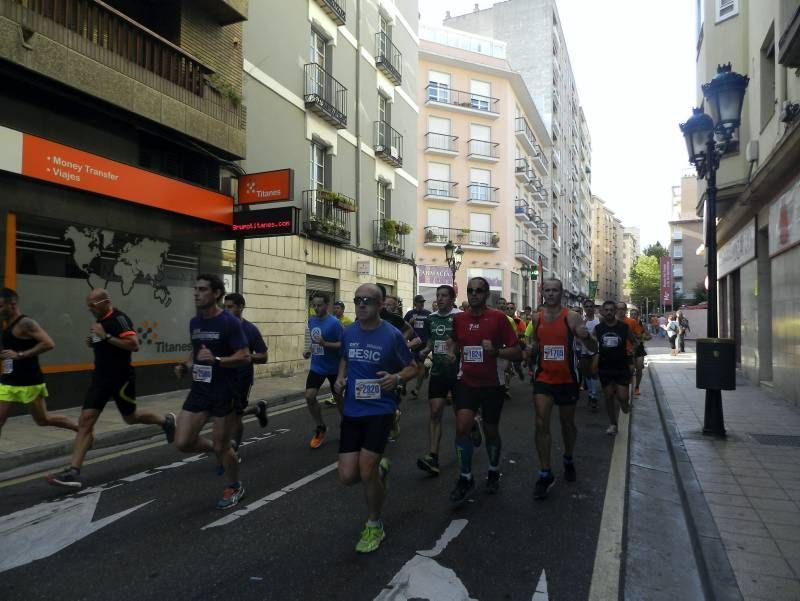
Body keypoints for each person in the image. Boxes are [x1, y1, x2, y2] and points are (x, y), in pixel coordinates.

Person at [48, 289, 176, 489]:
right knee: (85, 421)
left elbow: (134, 345)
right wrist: (95, 341)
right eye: (88, 304)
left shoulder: (119, 319)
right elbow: (105, 342)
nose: (89, 308)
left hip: (121, 379)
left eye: (92, 304)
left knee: (130, 418)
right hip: (100, 378)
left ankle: (165, 421)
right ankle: (73, 471)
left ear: (105, 302)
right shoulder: (99, 323)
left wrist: (105, 336)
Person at [333, 283, 417, 553]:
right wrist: (340, 377)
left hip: (380, 410)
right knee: (348, 476)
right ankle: (380, 472)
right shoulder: (349, 333)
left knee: (366, 470)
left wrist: (396, 377)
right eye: (357, 299)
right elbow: (345, 358)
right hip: (352, 409)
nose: (361, 304)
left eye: (367, 300)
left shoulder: (392, 335)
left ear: (380, 305)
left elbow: (413, 367)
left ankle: (374, 524)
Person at [169, 275, 250, 509]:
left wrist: (217, 360)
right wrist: (185, 365)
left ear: (216, 294)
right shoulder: (195, 323)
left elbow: (244, 356)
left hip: (225, 390)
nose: (197, 293)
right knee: (182, 442)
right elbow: (196, 352)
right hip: (200, 389)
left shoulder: (229, 322)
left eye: (202, 289)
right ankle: (220, 449)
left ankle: (235, 485)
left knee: (222, 446)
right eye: (195, 289)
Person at [446, 277, 521, 506]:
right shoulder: (459, 319)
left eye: (479, 291)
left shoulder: (499, 319)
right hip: (466, 381)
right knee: (461, 427)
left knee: (491, 431)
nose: (474, 294)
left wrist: (496, 352)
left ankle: (492, 469)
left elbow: (518, 352)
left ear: (487, 294)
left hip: (492, 383)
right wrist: (451, 351)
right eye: (470, 290)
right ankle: (465, 477)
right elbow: (454, 341)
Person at [527, 279, 596, 499]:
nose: (550, 294)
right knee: (541, 422)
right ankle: (545, 472)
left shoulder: (572, 317)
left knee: (567, 423)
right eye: (547, 290)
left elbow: (592, 346)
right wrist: (528, 350)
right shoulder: (536, 318)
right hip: (544, 378)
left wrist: (586, 336)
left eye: (554, 290)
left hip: (567, 379)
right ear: (542, 293)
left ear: (562, 293)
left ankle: (568, 457)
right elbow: (532, 344)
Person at [0, 288, 78, 439]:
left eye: (1, 306)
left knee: (43, 420)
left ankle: (80, 428)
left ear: (13, 304)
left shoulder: (25, 323)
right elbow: (11, 350)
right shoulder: (6, 324)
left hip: (29, 381)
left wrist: (20, 355)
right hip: (8, 380)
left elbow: (48, 343)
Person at [415, 285, 461, 476]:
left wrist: (455, 351)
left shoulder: (460, 317)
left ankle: (472, 425)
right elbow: (432, 340)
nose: (440, 299)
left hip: (459, 374)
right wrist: (426, 350)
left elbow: (466, 340)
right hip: (438, 372)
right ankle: (433, 456)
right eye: (438, 295)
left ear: (452, 298)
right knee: (435, 412)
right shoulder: (431, 318)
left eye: (444, 296)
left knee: (462, 416)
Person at [223, 293, 269, 452]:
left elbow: (263, 356)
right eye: (225, 307)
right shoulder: (219, 327)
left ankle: (233, 450)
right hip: (222, 378)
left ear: (241, 307)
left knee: (234, 415)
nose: (226, 310)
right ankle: (257, 410)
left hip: (241, 379)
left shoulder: (250, 330)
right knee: (228, 413)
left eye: (230, 307)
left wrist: (247, 357)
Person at [302, 293, 343, 448]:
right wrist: (308, 351)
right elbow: (312, 339)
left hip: (334, 367)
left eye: (319, 305)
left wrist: (326, 344)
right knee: (309, 397)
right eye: (314, 305)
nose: (316, 308)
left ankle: (347, 426)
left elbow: (342, 344)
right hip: (317, 366)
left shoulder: (334, 323)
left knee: (339, 399)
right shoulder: (311, 320)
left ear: (327, 305)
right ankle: (321, 427)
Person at [596, 300, 636, 435]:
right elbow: (592, 344)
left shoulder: (624, 327)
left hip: (621, 366)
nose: (608, 312)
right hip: (605, 367)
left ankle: (625, 406)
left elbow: (634, 341)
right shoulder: (598, 328)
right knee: (608, 396)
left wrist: (632, 356)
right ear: (602, 311)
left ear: (615, 311)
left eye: (611, 310)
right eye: (606, 310)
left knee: (623, 397)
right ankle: (613, 423)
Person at [404, 295, 432, 399]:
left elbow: (431, 329)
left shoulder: (428, 314)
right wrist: (409, 322)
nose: (422, 304)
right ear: (415, 303)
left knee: (420, 365)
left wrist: (429, 345)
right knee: (408, 365)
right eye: (420, 302)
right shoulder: (410, 313)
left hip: (423, 344)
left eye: (423, 302)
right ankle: (403, 385)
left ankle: (416, 389)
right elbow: (403, 327)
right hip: (412, 344)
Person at [577, 299, 601, 412]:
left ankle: (594, 397)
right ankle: (591, 395)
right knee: (587, 374)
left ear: (594, 307)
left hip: (595, 351)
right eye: (586, 306)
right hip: (584, 351)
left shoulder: (598, 320)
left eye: (591, 306)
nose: (589, 308)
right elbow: (577, 335)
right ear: (584, 308)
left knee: (594, 373)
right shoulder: (581, 321)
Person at [628, 307, 650, 395]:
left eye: (635, 314)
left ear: (638, 316)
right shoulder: (627, 324)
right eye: (631, 314)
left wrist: (643, 337)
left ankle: (637, 386)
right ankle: (629, 383)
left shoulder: (642, 325)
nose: (633, 316)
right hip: (629, 348)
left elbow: (649, 336)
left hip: (639, 348)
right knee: (631, 368)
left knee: (639, 368)